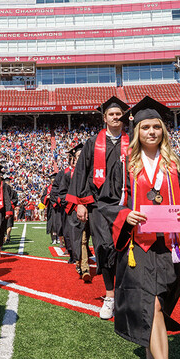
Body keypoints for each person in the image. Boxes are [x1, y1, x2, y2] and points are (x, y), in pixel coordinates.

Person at [96, 96, 180, 359]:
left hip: (171, 249)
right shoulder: (124, 167)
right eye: (146, 126)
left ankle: (150, 348)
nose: (152, 131)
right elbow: (105, 202)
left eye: (157, 126)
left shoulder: (179, 165)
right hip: (137, 249)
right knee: (153, 305)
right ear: (137, 130)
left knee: (160, 304)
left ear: (164, 130)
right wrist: (123, 217)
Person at [69, 97, 129, 318]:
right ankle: (110, 296)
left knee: (124, 249)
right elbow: (81, 173)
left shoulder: (131, 142)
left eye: (118, 114)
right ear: (104, 118)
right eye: (111, 114)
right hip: (98, 205)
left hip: (125, 204)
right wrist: (80, 203)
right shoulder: (93, 143)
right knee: (103, 248)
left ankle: (124, 295)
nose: (115, 117)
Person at [57, 144, 87, 276]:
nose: (80, 159)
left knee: (85, 239)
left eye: (82, 156)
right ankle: (82, 265)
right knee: (79, 240)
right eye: (78, 156)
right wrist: (74, 205)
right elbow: (62, 194)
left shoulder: (90, 173)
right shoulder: (68, 175)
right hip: (74, 211)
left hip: (89, 210)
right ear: (74, 159)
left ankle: (83, 265)